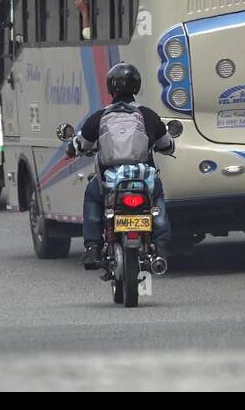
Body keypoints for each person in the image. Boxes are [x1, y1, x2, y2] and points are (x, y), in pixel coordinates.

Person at [71, 63, 175, 268]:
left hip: (111, 183)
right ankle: (161, 246)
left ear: (111, 88)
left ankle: (93, 247)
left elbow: (81, 144)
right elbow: (167, 145)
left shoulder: (99, 117)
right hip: (143, 180)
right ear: (137, 87)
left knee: (92, 196)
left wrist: (71, 149)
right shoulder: (148, 115)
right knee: (157, 196)